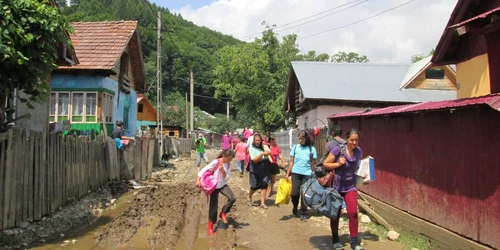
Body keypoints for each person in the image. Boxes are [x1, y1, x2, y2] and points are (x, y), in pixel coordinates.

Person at [323, 129, 364, 250]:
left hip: (350, 186)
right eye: (352, 140)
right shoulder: (338, 150)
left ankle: (354, 242)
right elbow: (325, 164)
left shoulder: (359, 152)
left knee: (353, 213)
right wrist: (337, 164)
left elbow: (359, 168)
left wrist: (364, 176)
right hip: (337, 187)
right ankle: (335, 239)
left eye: (356, 140)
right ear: (347, 139)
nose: (354, 142)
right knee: (335, 214)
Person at [195, 149, 237, 236]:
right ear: (224, 156)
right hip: (214, 186)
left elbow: (226, 178)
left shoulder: (228, 165)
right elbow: (204, 169)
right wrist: (198, 180)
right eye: (228, 159)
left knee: (232, 198)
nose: (229, 161)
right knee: (213, 206)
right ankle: (210, 226)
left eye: (231, 159)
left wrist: (223, 170)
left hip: (222, 185)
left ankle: (223, 213)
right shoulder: (216, 162)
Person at [285, 130, 317, 221]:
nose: (300, 140)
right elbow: (291, 162)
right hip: (296, 173)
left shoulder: (312, 149)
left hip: (307, 174)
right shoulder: (295, 148)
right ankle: (295, 206)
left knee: (304, 194)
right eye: (299, 138)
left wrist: (315, 174)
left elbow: (314, 163)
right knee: (295, 193)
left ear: (306, 139)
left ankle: (303, 212)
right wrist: (287, 174)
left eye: (302, 139)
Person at [247, 133, 271, 209]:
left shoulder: (263, 147)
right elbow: (254, 160)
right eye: (256, 140)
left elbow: (269, 153)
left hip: (264, 169)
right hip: (255, 169)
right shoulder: (251, 148)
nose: (257, 142)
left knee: (264, 185)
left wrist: (266, 152)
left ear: (261, 141)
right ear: (254, 141)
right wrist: (262, 154)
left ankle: (262, 203)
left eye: (259, 140)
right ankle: (249, 197)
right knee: (254, 186)